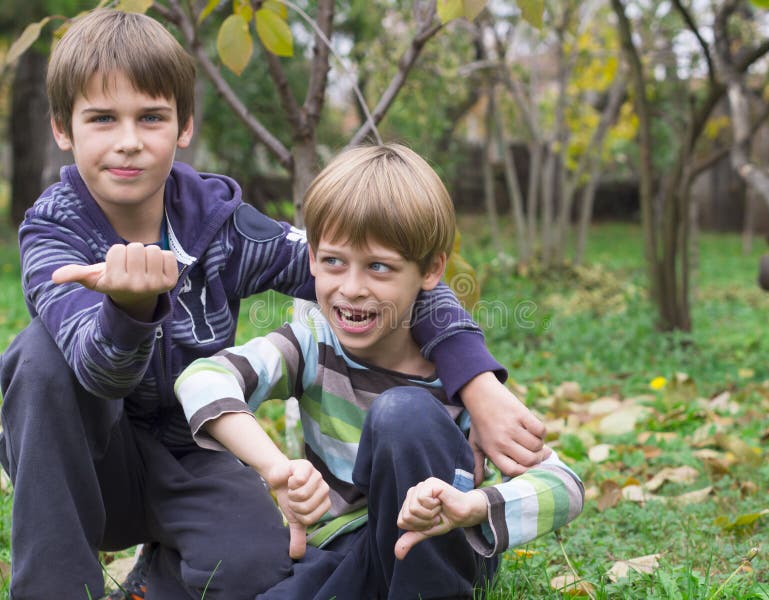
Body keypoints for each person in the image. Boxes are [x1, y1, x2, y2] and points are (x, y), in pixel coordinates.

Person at [0, 9, 550, 600]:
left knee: (255, 573)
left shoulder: (220, 225)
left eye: (151, 117)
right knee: (39, 356)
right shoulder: (53, 234)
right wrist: (130, 309)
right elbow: (95, 372)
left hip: (193, 451)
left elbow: (373, 277)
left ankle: (154, 579)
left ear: (183, 126)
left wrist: (478, 383)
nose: (129, 140)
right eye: (102, 118)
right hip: (88, 468)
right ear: (64, 128)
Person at [175, 144, 585, 599]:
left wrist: (473, 506)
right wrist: (274, 467)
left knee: (402, 413)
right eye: (333, 261)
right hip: (347, 552)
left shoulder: (459, 381)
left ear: (430, 270)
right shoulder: (311, 344)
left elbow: (566, 485)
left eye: (378, 267)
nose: (352, 289)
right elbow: (202, 378)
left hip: (440, 555)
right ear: (310, 259)